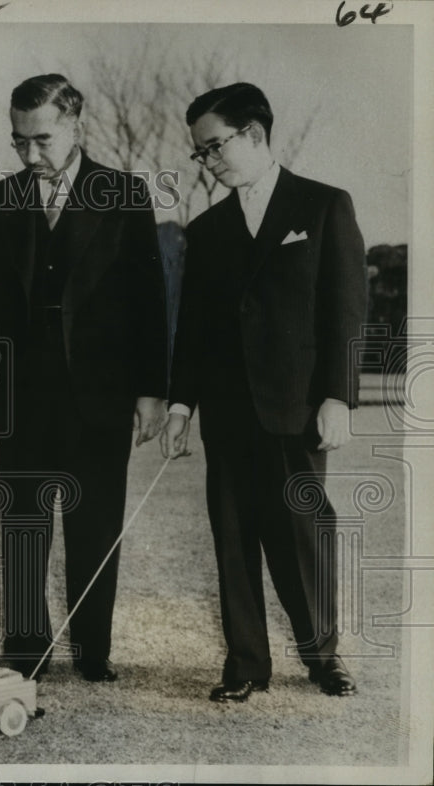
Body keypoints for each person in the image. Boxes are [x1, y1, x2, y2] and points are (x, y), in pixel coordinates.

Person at [161, 82, 366, 701]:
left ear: (253, 134)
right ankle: (246, 665)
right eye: (200, 153)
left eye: (214, 145)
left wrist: (338, 396)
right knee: (232, 540)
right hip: (226, 414)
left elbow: (347, 311)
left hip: (297, 409)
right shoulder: (206, 228)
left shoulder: (325, 206)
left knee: (302, 536)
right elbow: (192, 331)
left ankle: (322, 657)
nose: (208, 160)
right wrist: (179, 405)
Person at [0, 74, 167, 681]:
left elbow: (150, 303)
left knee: (96, 525)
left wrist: (151, 390)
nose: (30, 155)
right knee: (25, 525)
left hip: (101, 396)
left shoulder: (126, 195)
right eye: (18, 141)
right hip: (24, 397)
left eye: (43, 140)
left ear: (77, 125)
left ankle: (93, 652)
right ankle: (27, 649)